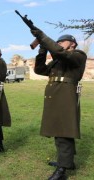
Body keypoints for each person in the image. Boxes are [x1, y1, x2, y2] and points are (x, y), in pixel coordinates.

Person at [31, 30, 87, 179]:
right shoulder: (58, 60)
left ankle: (63, 170)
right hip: (55, 94)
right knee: (58, 128)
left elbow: (61, 53)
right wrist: (42, 49)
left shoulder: (78, 55)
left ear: (72, 44)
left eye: (62, 42)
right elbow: (40, 69)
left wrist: (43, 37)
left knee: (64, 130)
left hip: (66, 94)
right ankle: (67, 161)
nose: (59, 44)